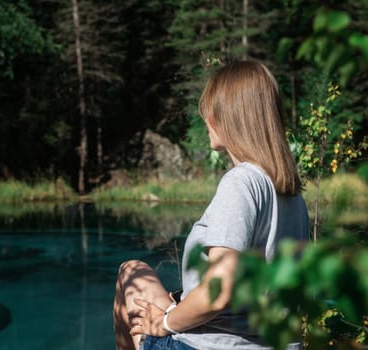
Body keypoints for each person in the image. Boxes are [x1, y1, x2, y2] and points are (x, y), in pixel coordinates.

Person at [113, 60, 310, 350]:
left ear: (226, 115)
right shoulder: (293, 196)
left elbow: (219, 292)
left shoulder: (241, 182)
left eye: (208, 109)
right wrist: (181, 303)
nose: (204, 118)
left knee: (130, 271)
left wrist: (166, 322)